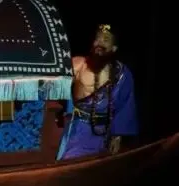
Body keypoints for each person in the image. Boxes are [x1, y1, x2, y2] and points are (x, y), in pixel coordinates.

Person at [56, 24, 138, 160]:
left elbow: (125, 106)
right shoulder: (78, 65)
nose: (99, 43)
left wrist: (117, 135)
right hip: (79, 129)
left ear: (114, 48)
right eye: (97, 39)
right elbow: (54, 81)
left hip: (105, 133)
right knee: (72, 163)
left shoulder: (121, 74)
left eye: (105, 40)